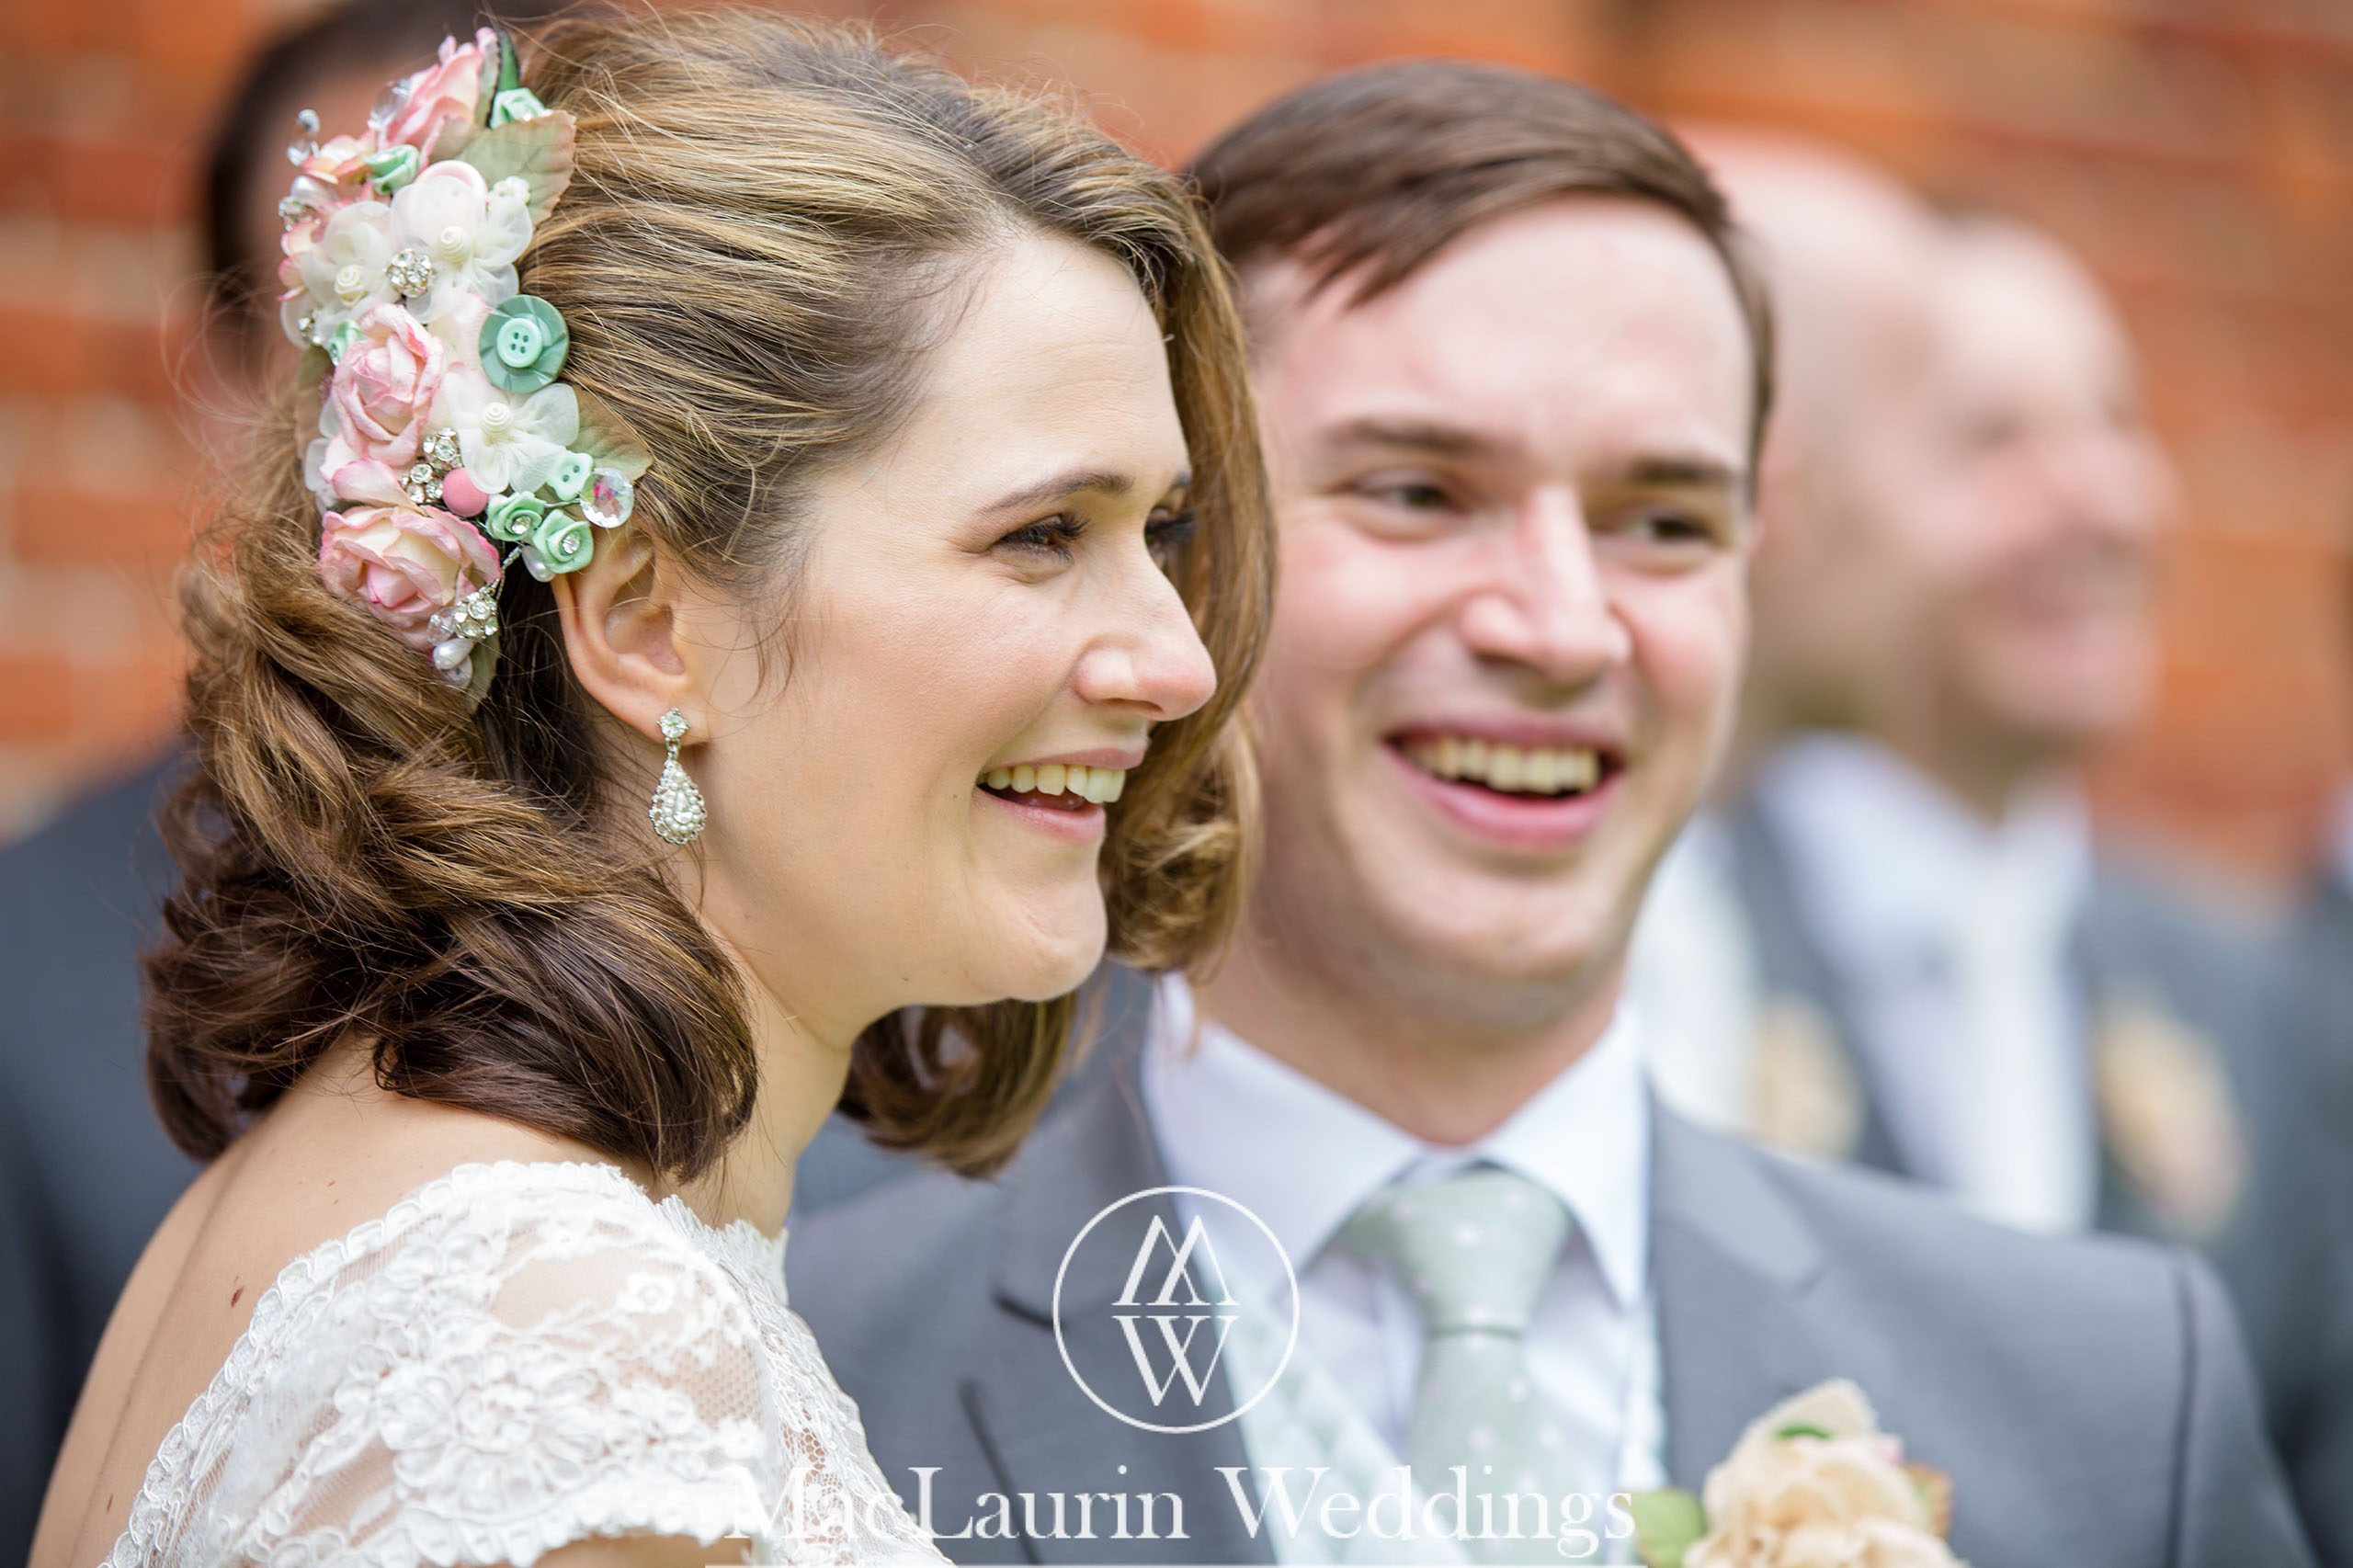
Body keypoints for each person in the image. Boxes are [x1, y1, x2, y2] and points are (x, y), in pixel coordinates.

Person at [791, 62, 2312, 1568]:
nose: (1564, 626)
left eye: (1661, 522)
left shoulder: (2113, 1396)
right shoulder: (798, 1362)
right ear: (1183, 549)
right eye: (1419, 492)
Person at [28, 11, 1270, 1567]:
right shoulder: (569, 1331)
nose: (1174, 661)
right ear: (644, 622)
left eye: (1161, 532)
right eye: (1040, 535)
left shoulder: (347, 1205)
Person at [1632, 138, 2353, 1557]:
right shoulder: (1668, 931)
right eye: (1991, 439)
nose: (2094, 498)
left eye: (2114, 420)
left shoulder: (2260, 992)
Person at [0, 5, 565, 1560]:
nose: (449, 423)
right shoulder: (21, 966)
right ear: (231, 380)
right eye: (373, 331)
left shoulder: (842, 870)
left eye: (505, 319)